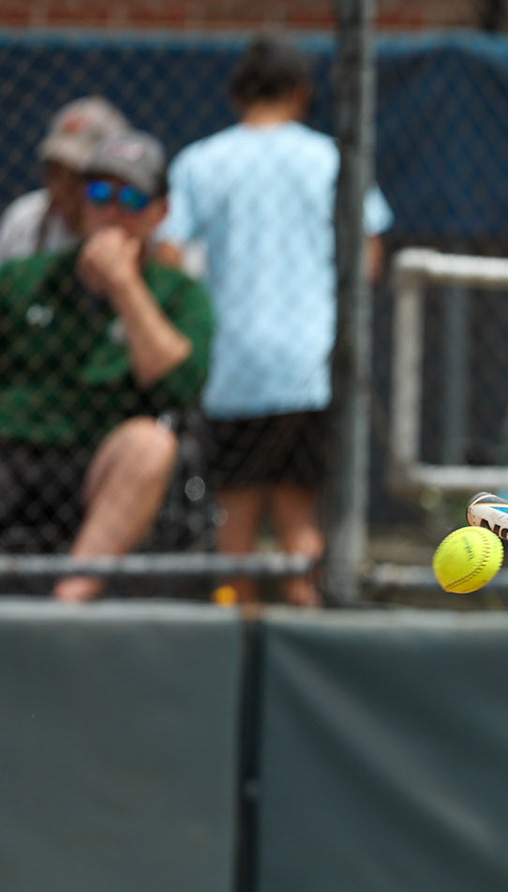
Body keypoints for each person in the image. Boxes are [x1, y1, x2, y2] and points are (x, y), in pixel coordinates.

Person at [156, 35, 394, 606]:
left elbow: (169, 257)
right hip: (309, 364)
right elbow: (369, 258)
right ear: (302, 93)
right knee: (298, 515)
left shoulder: (200, 161)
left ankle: (230, 644)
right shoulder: (333, 160)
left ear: (238, 94)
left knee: (233, 517)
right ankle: (304, 638)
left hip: (229, 367)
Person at [0, 131, 212, 601]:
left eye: (131, 198)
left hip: (99, 464)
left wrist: (124, 286)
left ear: (159, 213)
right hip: (13, 451)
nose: (112, 211)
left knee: (150, 444)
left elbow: (180, 384)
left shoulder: (179, 294)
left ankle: (66, 604)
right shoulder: (22, 280)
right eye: (99, 194)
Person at [0, 96, 128, 264]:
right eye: (55, 170)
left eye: (75, 175)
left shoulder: (132, 224)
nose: (60, 186)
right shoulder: (25, 217)